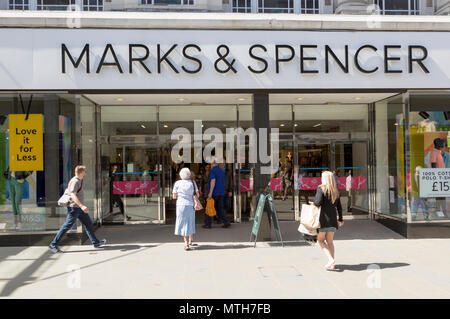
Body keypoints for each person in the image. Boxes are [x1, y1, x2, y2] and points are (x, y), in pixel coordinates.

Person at [49, 165, 106, 253]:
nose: (85, 173)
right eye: (84, 172)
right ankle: (53, 244)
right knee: (66, 226)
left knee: (88, 224)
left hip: (78, 208)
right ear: (81, 172)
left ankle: (96, 243)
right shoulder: (75, 181)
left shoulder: (79, 180)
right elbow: (73, 195)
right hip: (74, 208)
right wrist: (82, 206)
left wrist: (81, 207)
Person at [313, 171, 344, 271]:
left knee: (321, 240)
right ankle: (332, 264)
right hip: (333, 220)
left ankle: (330, 260)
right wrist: (340, 219)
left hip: (323, 219)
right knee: (330, 242)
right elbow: (339, 207)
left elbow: (317, 203)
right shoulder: (335, 190)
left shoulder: (321, 188)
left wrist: (313, 203)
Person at [173, 167, 198, 251]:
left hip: (180, 205)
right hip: (190, 205)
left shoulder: (177, 183)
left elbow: (174, 196)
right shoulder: (193, 182)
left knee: (184, 223)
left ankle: (186, 244)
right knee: (190, 221)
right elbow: (197, 195)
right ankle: (190, 240)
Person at [203, 157, 230, 229]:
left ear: (212, 163)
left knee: (209, 207)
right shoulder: (221, 171)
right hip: (221, 193)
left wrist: (210, 193)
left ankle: (208, 224)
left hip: (214, 193)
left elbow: (213, 181)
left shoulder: (213, 171)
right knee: (221, 208)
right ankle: (226, 221)